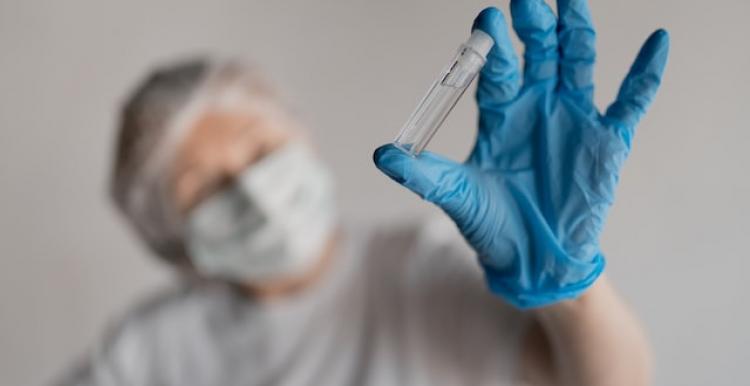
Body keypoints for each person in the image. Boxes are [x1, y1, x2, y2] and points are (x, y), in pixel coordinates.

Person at [58, 1, 669, 385]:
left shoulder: (422, 268)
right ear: (169, 237)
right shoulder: (149, 353)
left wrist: (568, 289)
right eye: (207, 187)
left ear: (302, 132)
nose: (255, 191)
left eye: (261, 150)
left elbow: (612, 382)